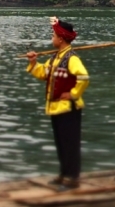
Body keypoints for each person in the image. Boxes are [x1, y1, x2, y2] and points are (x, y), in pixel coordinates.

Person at [26, 17, 90, 190]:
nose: (51, 39)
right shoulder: (55, 58)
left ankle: (72, 178)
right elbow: (43, 73)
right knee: (61, 143)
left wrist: (73, 93)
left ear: (61, 39)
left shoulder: (71, 58)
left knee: (70, 144)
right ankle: (64, 174)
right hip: (55, 108)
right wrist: (33, 62)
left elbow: (83, 77)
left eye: (53, 36)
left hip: (68, 108)